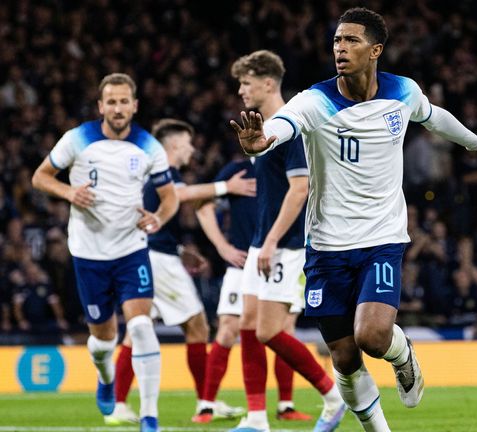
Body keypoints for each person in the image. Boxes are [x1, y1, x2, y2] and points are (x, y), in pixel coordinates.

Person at [229, 8, 477, 431]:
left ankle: (403, 354)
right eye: (337, 41)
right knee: (343, 357)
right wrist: (259, 144)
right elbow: (282, 127)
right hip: (325, 245)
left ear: (376, 49)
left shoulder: (402, 92)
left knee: (373, 337)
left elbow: (433, 116)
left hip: (382, 237)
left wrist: (474, 142)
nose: (340, 48)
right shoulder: (314, 100)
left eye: (352, 41)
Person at [31, 73, 179, 432]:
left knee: (142, 326)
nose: (117, 108)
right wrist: (69, 193)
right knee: (103, 341)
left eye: (123, 101)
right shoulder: (77, 138)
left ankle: (149, 416)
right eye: (110, 102)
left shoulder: (149, 147)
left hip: (131, 250)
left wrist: (158, 219)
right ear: (101, 106)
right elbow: (40, 177)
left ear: (135, 105)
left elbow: (170, 198)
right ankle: (105, 377)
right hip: (89, 253)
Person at [225, 50, 347, 432]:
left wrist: (274, 240)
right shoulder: (264, 128)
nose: (241, 90)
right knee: (247, 323)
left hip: (287, 243)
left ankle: (332, 395)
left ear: (267, 83)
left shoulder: (291, 124)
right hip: (263, 241)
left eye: (246, 82)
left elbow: (300, 188)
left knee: (269, 331)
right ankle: (257, 417)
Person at [106, 119, 253, 425]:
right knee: (198, 326)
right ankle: (205, 402)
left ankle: (118, 405)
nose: (191, 149)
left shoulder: (149, 170)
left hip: (149, 254)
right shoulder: (163, 171)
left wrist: (179, 251)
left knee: (139, 330)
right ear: (173, 145)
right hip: (157, 260)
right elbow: (179, 194)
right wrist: (226, 187)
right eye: (187, 143)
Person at [194, 154, 313, 424]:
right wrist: (222, 247)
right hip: (244, 263)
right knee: (228, 329)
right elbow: (203, 207)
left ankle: (285, 405)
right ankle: (206, 405)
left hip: (284, 257)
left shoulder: (291, 164)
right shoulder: (237, 170)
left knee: (285, 330)